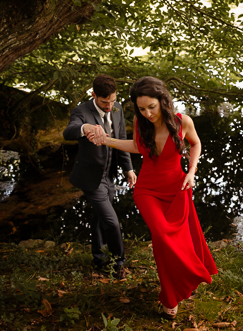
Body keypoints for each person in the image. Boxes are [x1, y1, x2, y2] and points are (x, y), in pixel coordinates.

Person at [88, 76, 217, 319]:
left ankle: (176, 287)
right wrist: (107, 140)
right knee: (161, 235)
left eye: (151, 107)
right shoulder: (140, 121)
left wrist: (191, 171)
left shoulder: (183, 122)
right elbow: (138, 147)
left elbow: (196, 144)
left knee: (174, 240)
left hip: (177, 187)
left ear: (163, 100)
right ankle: (172, 293)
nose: (147, 113)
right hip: (147, 189)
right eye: (142, 108)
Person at [63, 74, 137, 279]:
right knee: (112, 222)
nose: (109, 106)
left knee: (99, 218)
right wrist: (85, 128)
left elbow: (121, 139)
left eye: (112, 101)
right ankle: (118, 264)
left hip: (110, 174)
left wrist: (128, 169)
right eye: (105, 102)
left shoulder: (118, 108)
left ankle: (98, 258)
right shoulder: (81, 111)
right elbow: (68, 132)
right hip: (91, 177)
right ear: (94, 95)